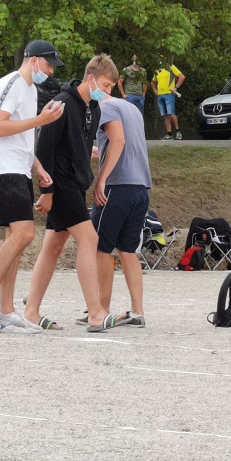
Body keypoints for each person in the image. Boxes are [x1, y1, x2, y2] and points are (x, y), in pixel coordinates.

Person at [22, 54, 125, 333]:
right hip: (60, 183)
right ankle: (95, 313)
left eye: (111, 88)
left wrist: (86, 155)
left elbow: (80, 142)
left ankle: (30, 311)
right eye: (104, 85)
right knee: (89, 238)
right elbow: (44, 150)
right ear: (90, 78)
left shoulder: (95, 108)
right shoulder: (62, 104)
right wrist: (47, 190)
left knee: (53, 246)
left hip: (77, 184)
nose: (107, 92)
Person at [0, 41, 65, 333]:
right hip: (2, 169)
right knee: (24, 233)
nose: (49, 72)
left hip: (19, 168)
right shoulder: (11, 83)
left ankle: (7, 310)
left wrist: (38, 169)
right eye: (48, 65)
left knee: (17, 238)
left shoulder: (31, 89)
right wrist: (42, 120)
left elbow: (21, 137)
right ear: (33, 60)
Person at [90, 92, 152, 328]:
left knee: (100, 248)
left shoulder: (105, 108)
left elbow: (118, 141)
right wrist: (98, 151)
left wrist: (102, 179)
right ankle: (138, 311)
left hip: (117, 186)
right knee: (127, 250)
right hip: (140, 188)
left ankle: (101, 311)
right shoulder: (132, 108)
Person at [152, 58, 185, 140]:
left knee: (171, 113)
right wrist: (155, 91)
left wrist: (176, 87)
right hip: (160, 95)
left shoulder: (171, 67)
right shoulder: (157, 70)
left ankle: (178, 131)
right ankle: (169, 133)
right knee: (166, 115)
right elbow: (153, 82)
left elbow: (181, 77)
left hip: (169, 94)